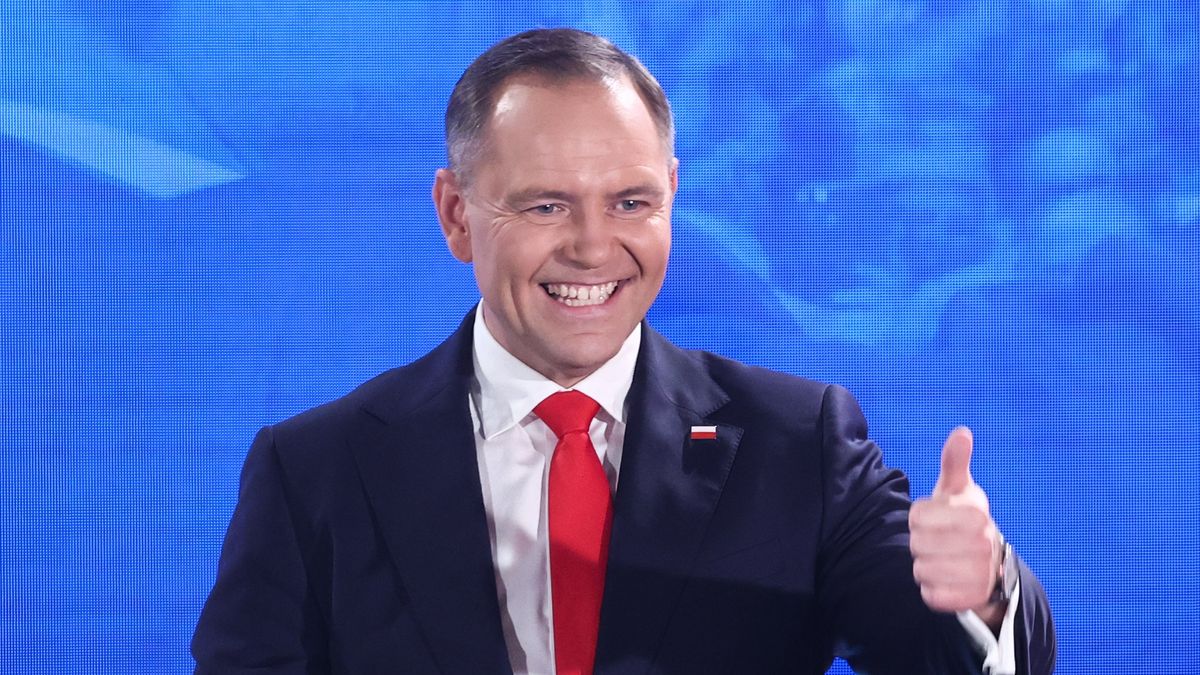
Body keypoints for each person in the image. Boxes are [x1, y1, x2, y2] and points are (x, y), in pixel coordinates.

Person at [192, 28, 1054, 674]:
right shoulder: (316, 469)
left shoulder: (800, 444)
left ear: (673, 191)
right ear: (457, 214)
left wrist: (982, 591)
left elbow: (940, 658)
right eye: (545, 207)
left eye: (632, 202)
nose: (595, 247)